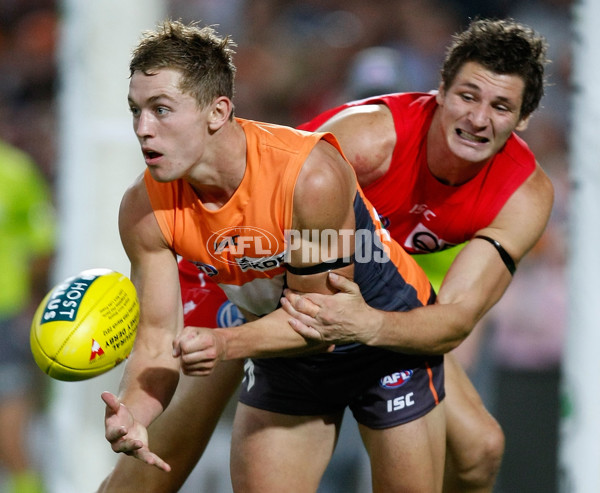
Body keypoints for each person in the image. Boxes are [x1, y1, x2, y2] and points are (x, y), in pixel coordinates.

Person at [98, 17, 554, 493]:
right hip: (256, 275)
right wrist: (142, 402)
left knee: (480, 450)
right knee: (174, 423)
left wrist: (369, 325)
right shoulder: (364, 144)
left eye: (500, 106)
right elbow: (255, 200)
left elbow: (454, 318)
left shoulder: (520, 195)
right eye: (467, 96)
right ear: (440, 91)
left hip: (366, 303)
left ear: (522, 119)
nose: (478, 118)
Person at [0, 138, 55, 493]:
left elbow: (43, 245)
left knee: (10, 428)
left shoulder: (15, 170)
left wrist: (29, 298)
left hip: (6, 312)